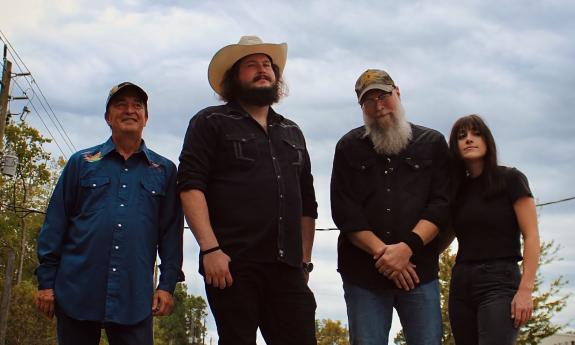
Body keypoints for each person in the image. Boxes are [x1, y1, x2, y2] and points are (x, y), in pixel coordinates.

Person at [177, 36, 318, 345]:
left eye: (267, 65)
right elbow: (190, 185)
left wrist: (304, 260)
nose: (262, 70)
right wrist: (210, 250)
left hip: (288, 267)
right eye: (251, 65)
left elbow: (308, 204)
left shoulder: (292, 131)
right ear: (234, 77)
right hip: (231, 264)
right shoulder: (209, 121)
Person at [35, 82, 184, 345]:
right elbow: (55, 223)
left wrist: (166, 284)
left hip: (134, 297)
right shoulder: (81, 163)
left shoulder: (164, 171)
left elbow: (171, 234)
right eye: (120, 105)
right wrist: (46, 282)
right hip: (76, 291)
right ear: (107, 117)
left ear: (146, 118)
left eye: (137, 105)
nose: (129, 110)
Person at [330, 69, 450, 345]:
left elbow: (441, 205)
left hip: (419, 273)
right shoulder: (348, 147)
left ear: (397, 92)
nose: (378, 106)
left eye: (383, 96)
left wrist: (406, 249)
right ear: (362, 108)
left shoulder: (432, 143)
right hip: (363, 276)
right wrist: (385, 255)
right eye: (368, 101)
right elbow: (345, 213)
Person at [444, 114, 540, 344]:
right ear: (455, 147)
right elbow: (446, 236)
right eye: (462, 136)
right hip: (461, 282)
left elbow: (532, 235)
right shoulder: (456, 190)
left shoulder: (511, 179)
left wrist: (525, 290)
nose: (469, 139)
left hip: (499, 280)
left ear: (487, 141)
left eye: (476, 134)